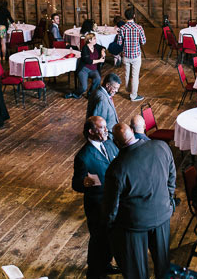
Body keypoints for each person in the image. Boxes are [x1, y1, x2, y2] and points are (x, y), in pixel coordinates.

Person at [103, 123, 175, 279]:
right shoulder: (161, 147)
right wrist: (168, 200)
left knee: (137, 271)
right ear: (134, 133)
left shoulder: (116, 168)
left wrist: (110, 226)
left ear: (116, 143)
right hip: (162, 216)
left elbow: (111, 206)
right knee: (164, 266)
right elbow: (171, 177)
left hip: (134, 225)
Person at [72, 116, 121, 278]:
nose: (106, 130)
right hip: (97, 205)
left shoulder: (110, 143)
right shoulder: (83, 157)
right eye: (102, 127)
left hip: (113, 201)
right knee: (98, 240)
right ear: (91, 132)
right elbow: (76, 184)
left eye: (105, 127)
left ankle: (105, 264)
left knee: (109, 238)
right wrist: (85, 182)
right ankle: (94, 272)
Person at [116, 7, 146, 102]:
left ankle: (129, 91)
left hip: (126, 55)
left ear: (125, 17)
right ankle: (133, 96)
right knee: (135, 76)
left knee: (127, 74)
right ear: (134, 16)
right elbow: (144, 41)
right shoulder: (139, 27)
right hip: (136, 55)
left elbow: (119, 43)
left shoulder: (122, 28)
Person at [66, 33, 105, 99]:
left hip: (93, 69)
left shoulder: (95, 46)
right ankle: (75, 94)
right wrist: (100, 60)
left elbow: (103, 47)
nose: (96, 40)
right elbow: (88, 61)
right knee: (84, 87)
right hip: (84, 69)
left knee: (98, 79)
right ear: (89, 40)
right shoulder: (85, 48)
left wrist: (103, 51)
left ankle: (90, 93)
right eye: (94, 39)